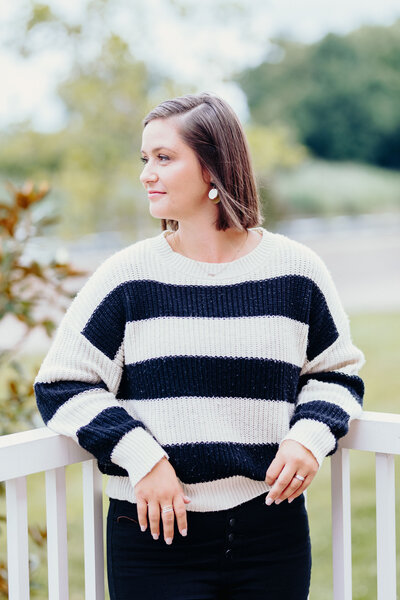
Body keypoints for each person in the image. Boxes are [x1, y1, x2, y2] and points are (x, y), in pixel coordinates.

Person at [34, 91, 365, 600]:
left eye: (164, 158)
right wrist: (143, 457)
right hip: (155, 535)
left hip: (270, 535)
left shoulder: (296, 272)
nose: (147, 173)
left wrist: (310, 436)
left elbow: (337, 373)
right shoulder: (128, 276)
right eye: (145, 159)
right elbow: (62, 384)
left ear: (212, 168)